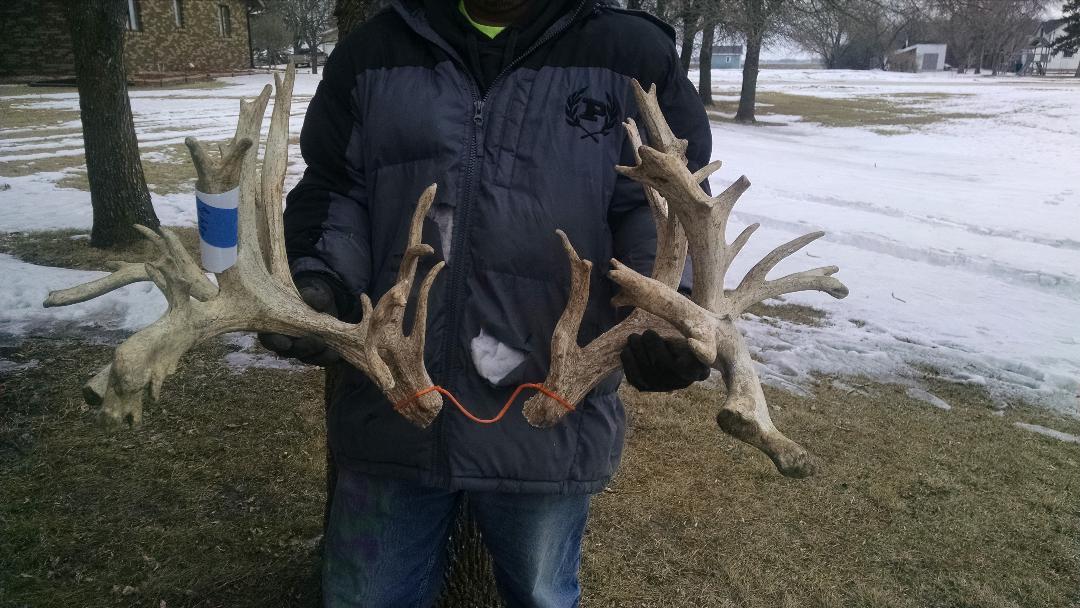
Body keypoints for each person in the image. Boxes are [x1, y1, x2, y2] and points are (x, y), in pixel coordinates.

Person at [259, 0, 712, 605]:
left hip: (548, 416)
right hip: (390, 405)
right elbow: (337, 190)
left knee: (540, 596)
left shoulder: (628, 53)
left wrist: (665, 316)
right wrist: (321, 288)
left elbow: (666, 208)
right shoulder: (376, 51)